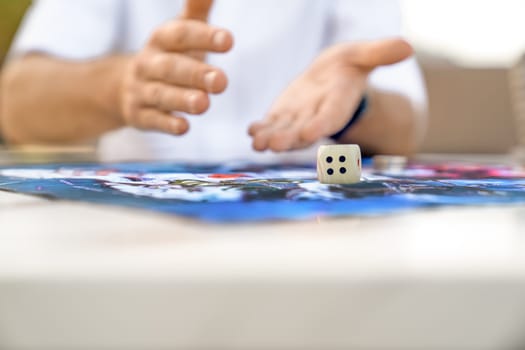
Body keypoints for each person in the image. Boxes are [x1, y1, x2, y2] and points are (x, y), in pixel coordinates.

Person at [0, 0, 427, 162]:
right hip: (131, 240)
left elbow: (405, 128)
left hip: (310, 239)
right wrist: (121, 87)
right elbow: (15, 106)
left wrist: (353, 105)